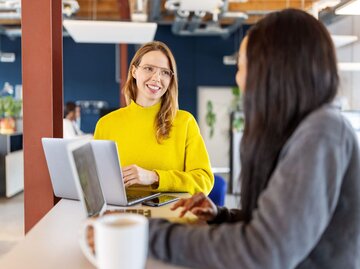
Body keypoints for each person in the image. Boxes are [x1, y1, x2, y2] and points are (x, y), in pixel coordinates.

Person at [148, 9, 360, 269]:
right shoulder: (305, 129)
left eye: (242, 66)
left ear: (273, 70)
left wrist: (147, 234)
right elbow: (281, 225)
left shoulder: (322, 132)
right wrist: (221, 216)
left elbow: (264, 251)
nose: (238, 78)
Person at [93, 41, 214, 194]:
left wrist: (155, 177)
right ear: (134, 71)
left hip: (171, 214)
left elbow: (204, 181)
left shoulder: (185, 122)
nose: (157, 78)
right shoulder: (106, 124)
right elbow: (96, 182)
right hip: (122, 214)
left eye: (165, 72)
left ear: (171, 79)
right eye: (149, 69)